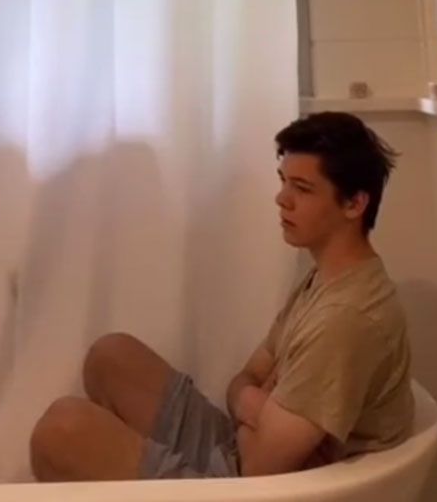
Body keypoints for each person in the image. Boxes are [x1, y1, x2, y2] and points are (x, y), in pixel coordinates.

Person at [29, 112, 414, 481]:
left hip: (270, 490)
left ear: (354, 204)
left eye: (302, 188)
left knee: (61, 431)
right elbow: (245, 377)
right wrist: (255, 404)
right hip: (248, 458)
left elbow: (262, 467)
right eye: (283, 181)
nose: (282, 199)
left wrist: (254, 407)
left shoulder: (347, 317)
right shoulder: (329, 278)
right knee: (110, 355)